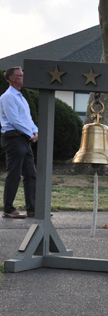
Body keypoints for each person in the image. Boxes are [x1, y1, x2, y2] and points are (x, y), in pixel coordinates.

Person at [1, 67, 37, 219]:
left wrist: (35, 131)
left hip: (24, 138)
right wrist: (30, 133)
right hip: (14, 138)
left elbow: (27, 119)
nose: (23, 77)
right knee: (14, 174)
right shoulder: (8, 97)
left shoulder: (21, 97)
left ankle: (33, 209)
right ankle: (8, 209)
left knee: (31, 175)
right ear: (12, 78)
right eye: (21, 75)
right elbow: (14, 120)